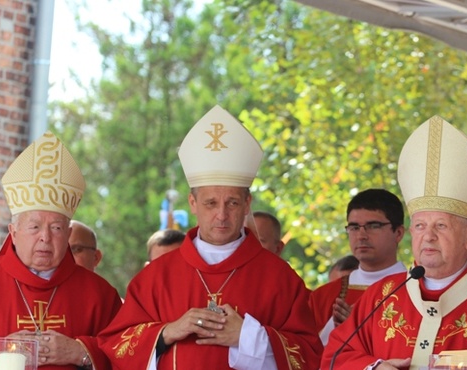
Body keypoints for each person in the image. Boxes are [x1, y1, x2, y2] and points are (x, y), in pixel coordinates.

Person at [98, 105, 322, 369]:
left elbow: (310, 357)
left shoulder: (280, 278)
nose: (221, 215)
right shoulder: (155, 278)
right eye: (211, 203)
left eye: (233, 203)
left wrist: (248, 337)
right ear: (192, 203)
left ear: (247, 203)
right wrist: (166, 332)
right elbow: (114, 348)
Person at [321, 116, 467, 370]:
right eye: (420, 226)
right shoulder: (380, 296)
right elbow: (334, 357)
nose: (428, 236)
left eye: (441, 226)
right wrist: (373, 368)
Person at [0, 131, 123, 370]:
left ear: (68, 234)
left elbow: (129, 355)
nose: (45, 237)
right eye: (34, 227)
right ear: (13, 231)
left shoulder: (99, 294)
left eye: (56, 227)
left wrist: (81, 352)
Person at [309, 189, 408, 346]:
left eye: (373, 226)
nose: (361, 235)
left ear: (398, 233)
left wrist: (359, 331)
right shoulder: (323, 297)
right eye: (354, 227)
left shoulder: (418, 292)